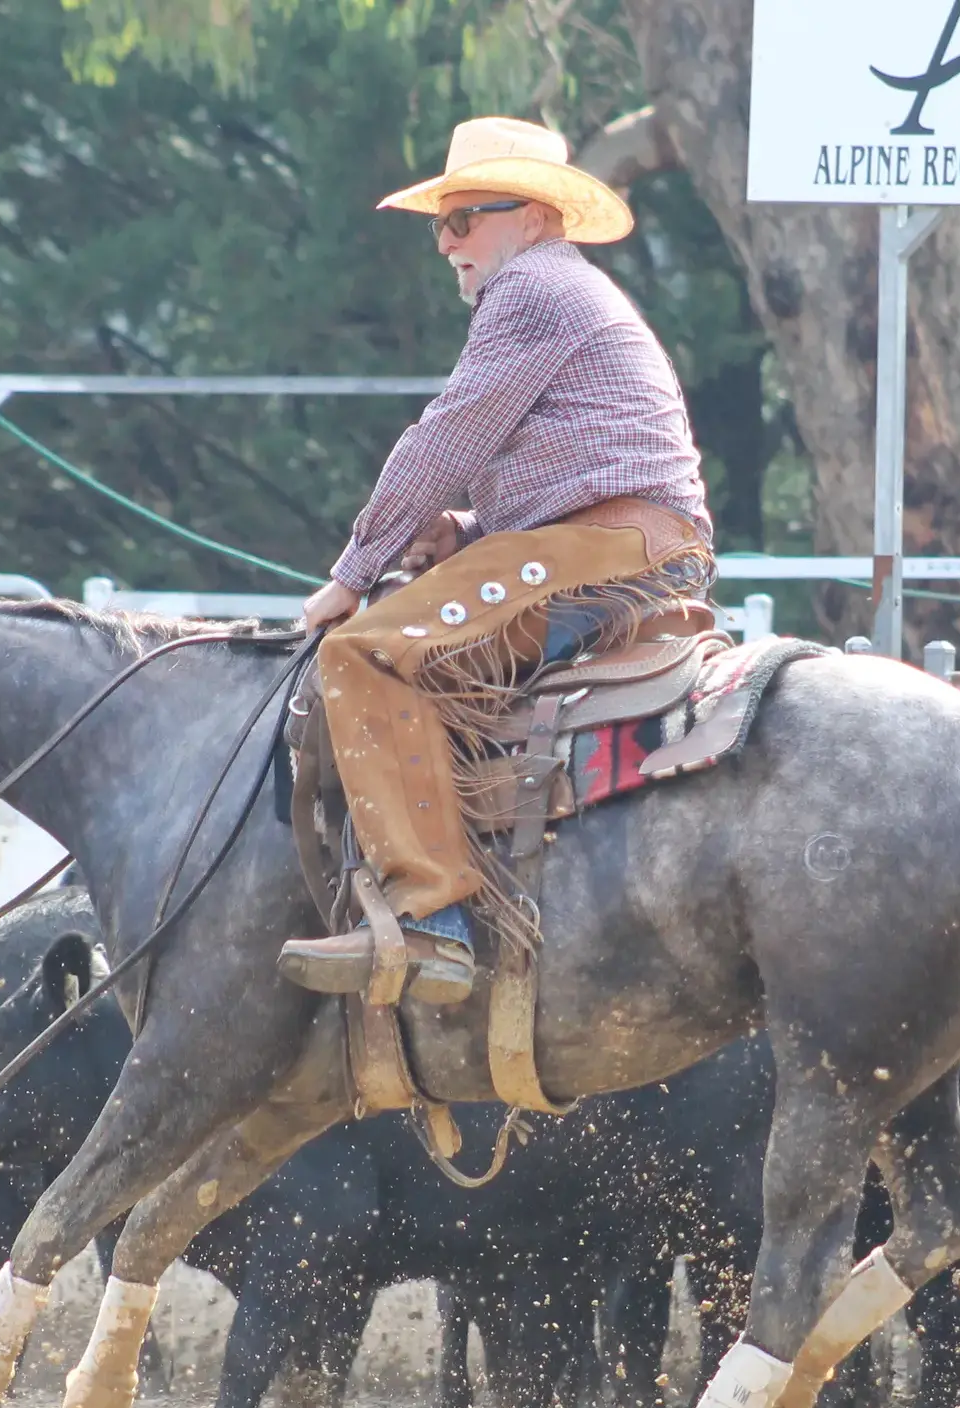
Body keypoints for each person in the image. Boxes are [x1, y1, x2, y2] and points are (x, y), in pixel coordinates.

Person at [278, 116, 715, 1003]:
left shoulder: (532, 290)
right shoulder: (566, 291)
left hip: (606, 553)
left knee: (358, 653)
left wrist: (353, 574)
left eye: (465, 217)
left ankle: (430, 919)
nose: (445, 242)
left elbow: (446, 437)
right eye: (440, 223)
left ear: (538, 218)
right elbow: (575, 464)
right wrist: (471, 535)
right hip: (625, 544)